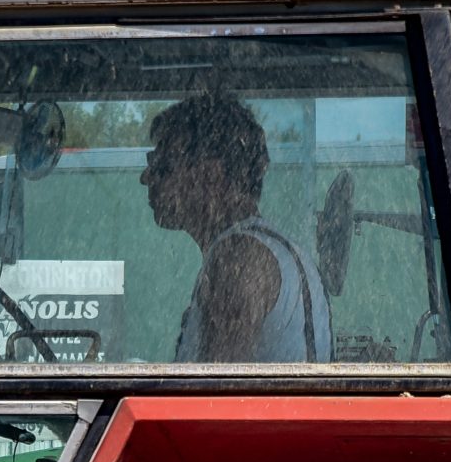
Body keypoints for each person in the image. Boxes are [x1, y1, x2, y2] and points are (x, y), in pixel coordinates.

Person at [141, 93, 332, 361]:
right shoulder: (275, 249)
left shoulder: (238, 259)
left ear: (211, 175)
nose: (145, 178)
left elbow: (213, 398)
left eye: (162, 167)